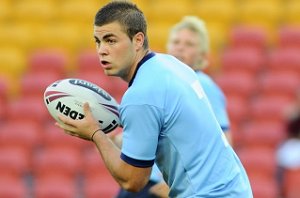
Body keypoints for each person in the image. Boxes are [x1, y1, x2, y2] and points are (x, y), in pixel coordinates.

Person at [55, 1, 253, 197]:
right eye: (98, 41)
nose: (102, 50)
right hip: (237, 189)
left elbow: (133, 181)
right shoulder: (172, 65)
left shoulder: (140, 96)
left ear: (138, 40)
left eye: (111, 40)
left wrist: (95, 135)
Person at [116, 16, 233, 198]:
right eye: (176, 41)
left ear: (202, 55)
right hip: (144, 181)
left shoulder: (202, 85)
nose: (180, 47)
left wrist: (174, 186)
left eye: (189, 44)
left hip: (164, 186)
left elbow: (223, 140)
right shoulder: (163, 83)